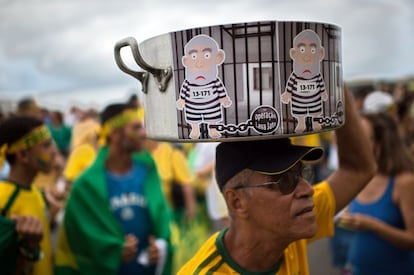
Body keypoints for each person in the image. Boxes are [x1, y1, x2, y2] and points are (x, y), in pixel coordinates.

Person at [178, 87, 376, 274]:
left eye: (302, 174)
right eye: (284, 181)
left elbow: (358, 171)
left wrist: (333, 83)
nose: (307, 189)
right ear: (237, 202)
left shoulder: (289, 228)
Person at [55, 103, 173, 275]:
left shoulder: (148, 170)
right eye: (136, 127)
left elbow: (161, 220)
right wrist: (111, 251)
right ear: (115, 133)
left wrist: (160, 247)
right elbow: (78, 241)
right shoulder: (86, 186)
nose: (143, 133)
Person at [338, 112, 414, 274]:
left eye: (363, 137)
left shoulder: (404, 182)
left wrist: (372, 225)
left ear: (382, 143)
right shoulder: (361, 176)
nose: (355, 142)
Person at [0, 115, 60, 275]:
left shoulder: (35, 192)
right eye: (47, 145)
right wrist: (30, 247)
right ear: (23, 156)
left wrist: (51, 213)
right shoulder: (3, 200)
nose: (55, 151)